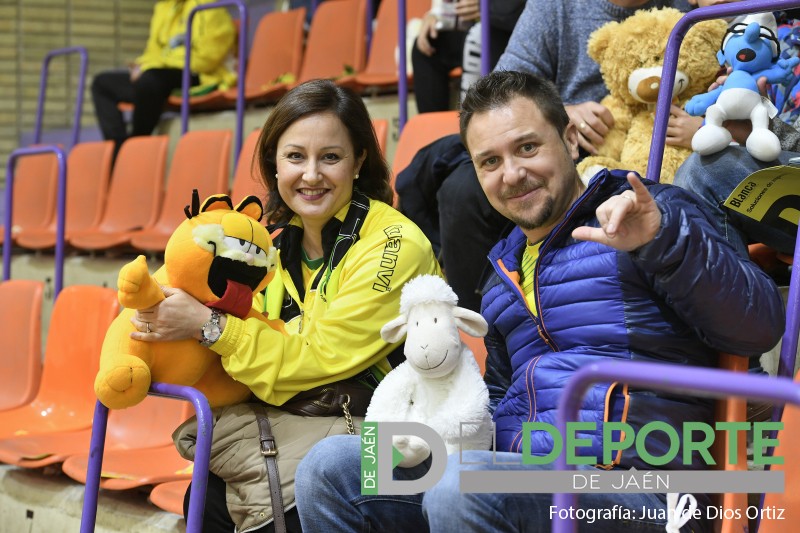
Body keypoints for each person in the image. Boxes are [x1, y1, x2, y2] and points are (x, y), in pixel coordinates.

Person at [294, 71, 785, 532]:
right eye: (490, 161)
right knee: (332, 466)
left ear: (570, 139)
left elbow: (758, 326)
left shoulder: (653, 213)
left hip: (646, 484)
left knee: (464, 483)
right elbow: (493, 403)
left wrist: (660, 241)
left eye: (527, 147)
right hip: (524, 475)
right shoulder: (501, 271)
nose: (512, 173)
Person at [129, 79, 441, 532]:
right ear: (274, 164)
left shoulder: (395, 244)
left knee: (304, 489)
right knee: (208, 495)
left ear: (358, 163)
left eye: (330, 157)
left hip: (403, 440)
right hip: (305, 421)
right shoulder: (266, 243)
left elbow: (317, 357)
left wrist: (209, 327)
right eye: (295, 157)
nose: (311, 175)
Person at [401, 0, 695, 312]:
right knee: (462, 187)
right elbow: (501, 93)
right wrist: (564, 114)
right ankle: (475, 321)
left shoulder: (688, 7)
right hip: (560, 136)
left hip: (640, 151)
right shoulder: (554, 6)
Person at [91, 0, 237, 157]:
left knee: (150, 79)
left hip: (198, 75)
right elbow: (152, 50)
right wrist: (142, 65)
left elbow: (206, 58)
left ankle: (135, 147)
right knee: (102, 83)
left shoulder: (209, 6)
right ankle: (118, 151)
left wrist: (152, 64)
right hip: (159, 74)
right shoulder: (163, 8)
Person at [412, 0, 481, 113]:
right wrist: (433, 16)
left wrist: (490, 7)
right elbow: (442, 7)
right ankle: (432, 126)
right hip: (465, 30)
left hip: (497, 26)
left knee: (473, 41)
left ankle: (474, 121)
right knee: (425, 49)